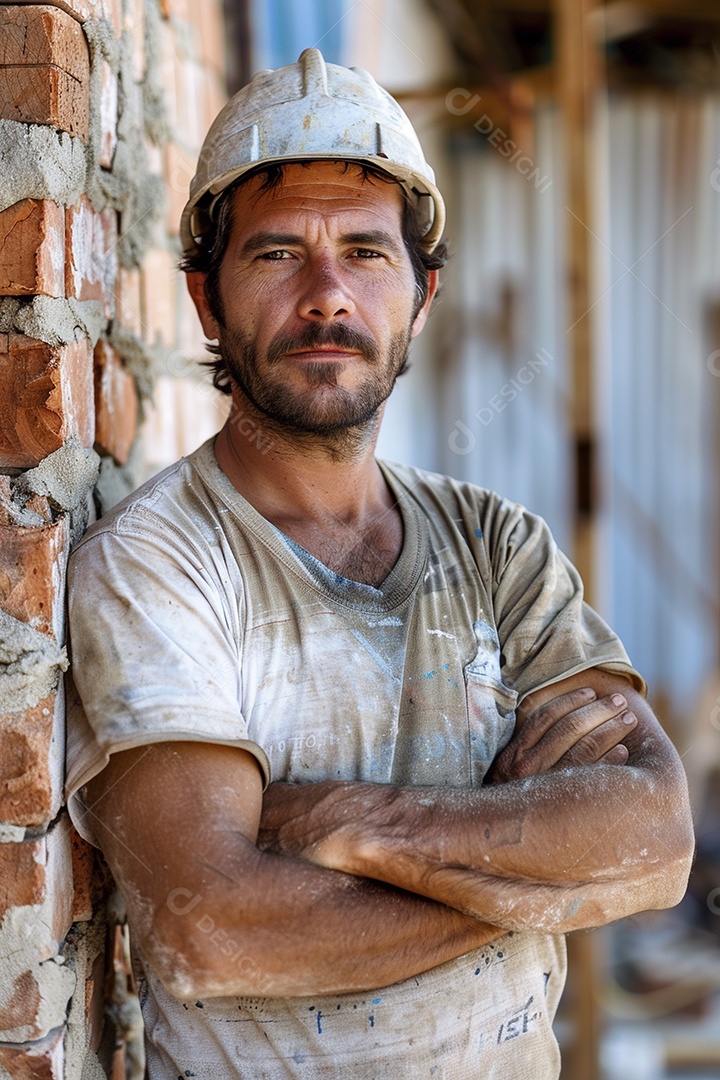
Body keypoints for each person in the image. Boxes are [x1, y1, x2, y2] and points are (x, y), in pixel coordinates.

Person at [65, 48, 694, 1079]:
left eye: (365, 251)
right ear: (207, 300)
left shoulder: (500, 547)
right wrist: (540, 864)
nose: (327, 296)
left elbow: (656, 841)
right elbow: (210, 932)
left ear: (422, 295)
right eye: (277, 254)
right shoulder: (156, 566)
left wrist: (344, 821)